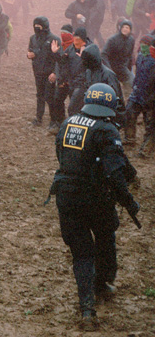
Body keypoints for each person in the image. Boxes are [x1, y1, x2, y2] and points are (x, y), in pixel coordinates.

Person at [50, 83, 140, 330]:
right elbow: (115, 174)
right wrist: (129, 202)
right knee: (105, 239)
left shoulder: (67, 124)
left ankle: (87, 309)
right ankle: (103, 285)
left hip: (66, 197)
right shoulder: (107, 130)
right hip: (96, 198)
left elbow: (62, 158)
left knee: (82, 255)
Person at [28, 16, 60, 128]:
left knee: (50, 96)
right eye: (35, 26)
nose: (37, 28)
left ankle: (53, 120)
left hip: (49, 73)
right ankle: (39, 118)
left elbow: (59, 59)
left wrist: (55, 73)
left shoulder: (54, 39)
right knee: (40, 95)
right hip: (37, 72)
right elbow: (30, 51)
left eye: (39, 26)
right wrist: (29, 55)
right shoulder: (33, 38)